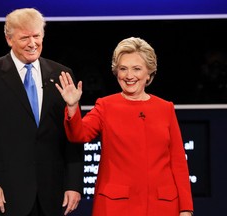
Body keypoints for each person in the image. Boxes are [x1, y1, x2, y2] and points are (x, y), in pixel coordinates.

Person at [0, 8, 84, 216]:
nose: (32, 43)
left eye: (37, 36)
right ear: (9, 39)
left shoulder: (62, 74)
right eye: (25, 37)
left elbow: (72, 135)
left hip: (51, 195)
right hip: (3, 194)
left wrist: (74, 184)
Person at [56, 37, 194, 216]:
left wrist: (186, 209)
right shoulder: (105, 106)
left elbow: (178, 162)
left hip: (162, 206)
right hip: (116, 206)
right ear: (116, 72)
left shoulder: (165, 108)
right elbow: (79, 135)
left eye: (137, 69)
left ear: (149, 73)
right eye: (123, 69)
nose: (129, 76)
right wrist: (73, 107)